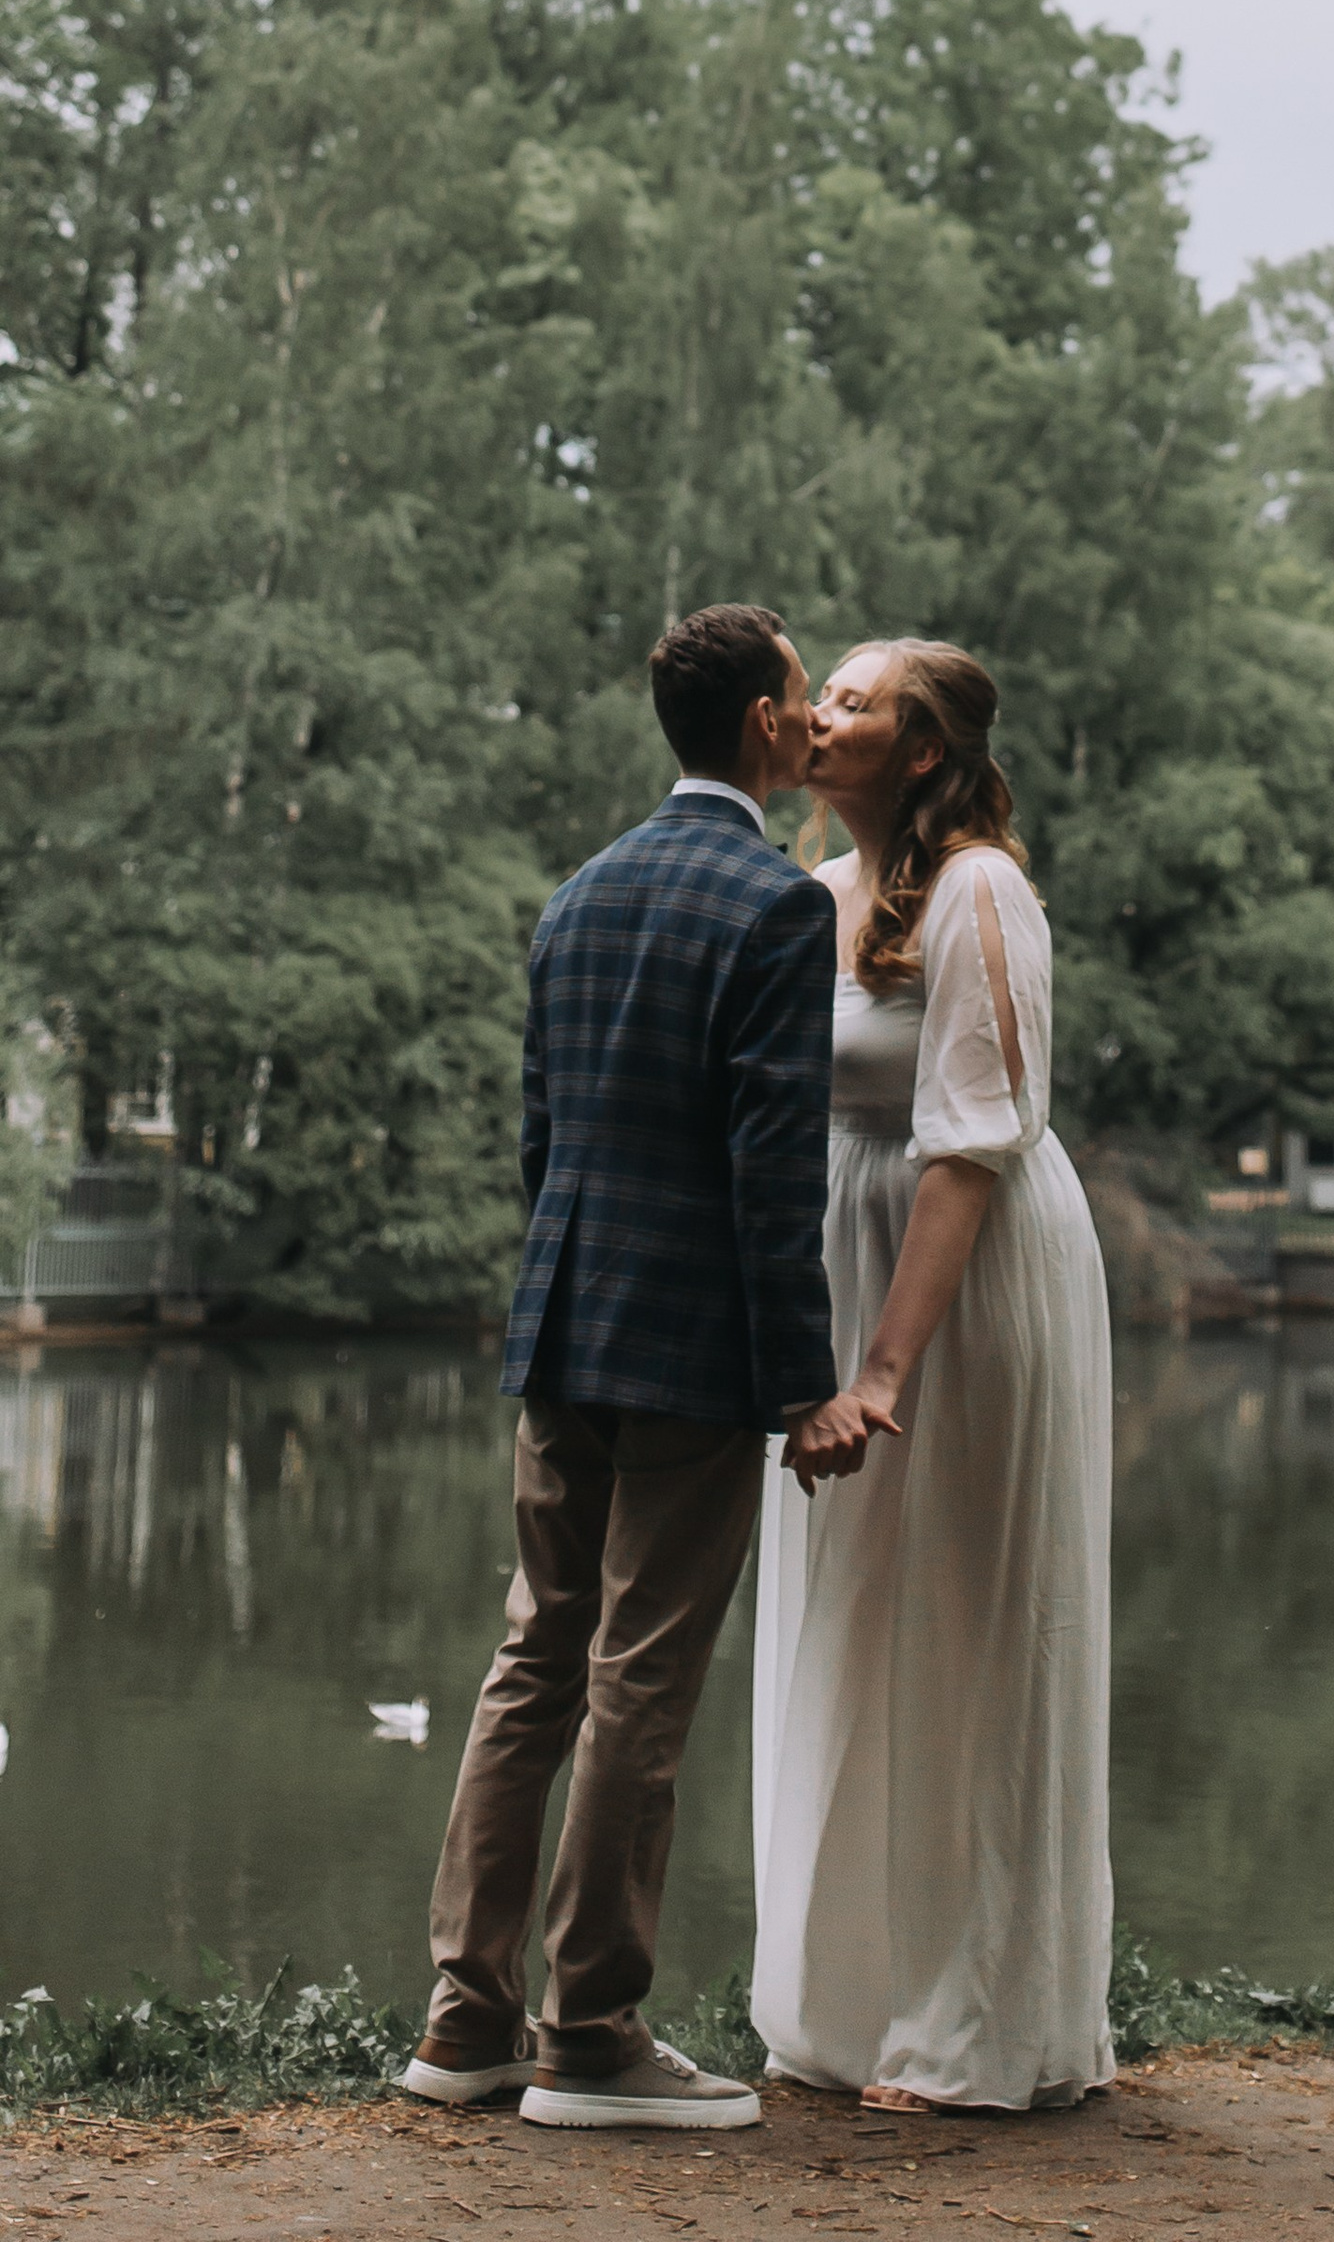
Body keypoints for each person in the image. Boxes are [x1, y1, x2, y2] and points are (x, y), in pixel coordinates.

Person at [405, 602, 878, 2135]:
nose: (811, 720)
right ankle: (593, 2034)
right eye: (800, 696)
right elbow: (770, 1173)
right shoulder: (777, 907)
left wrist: (567, 1291)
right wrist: (804, 1382)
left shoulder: (579, 893)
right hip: (688, 1349)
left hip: (565, 1324)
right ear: (759, 724)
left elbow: (542, 1141)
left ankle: (465, 2021)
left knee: (535, 1659)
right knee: (640, 1681)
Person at [752, 640, 1114, 2112]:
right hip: (840, 1278)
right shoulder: (814, 890)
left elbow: (973, 1142)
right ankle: (846, 2005)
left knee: (968, 1625)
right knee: (846, 1626)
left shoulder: (979, 891)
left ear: (919, 750)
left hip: (959, 1286)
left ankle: (975, 2022)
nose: (821, 712)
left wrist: (886, 1368)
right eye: (820, 691)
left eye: (856, 699)